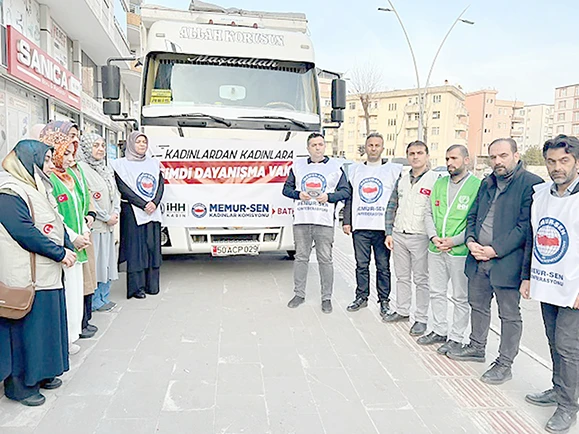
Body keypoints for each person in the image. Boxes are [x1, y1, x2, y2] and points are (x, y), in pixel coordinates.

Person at [447, 138, 543, 385]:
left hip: (506, 263)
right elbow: (473, 215)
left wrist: (494, 250)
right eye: (493, 157)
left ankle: (504, 363)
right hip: (477, 259)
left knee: (509, 316)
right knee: (478, 306)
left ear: (516, 155)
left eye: (503, 156)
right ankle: (477, 347)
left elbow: (525, 228)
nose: (498, 161)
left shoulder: (531, 184)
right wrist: (469, 241)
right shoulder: (487, 183)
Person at [0, 140, 76, 406]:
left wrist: (69, 241)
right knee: (26, 331)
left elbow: (53, 220)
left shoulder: (37, 185)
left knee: (45, 327)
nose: (47, 164)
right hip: (26, 275)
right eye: (43, 159)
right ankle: (21, 386)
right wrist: (60, 253)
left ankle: (42, 373)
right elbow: (24, 232)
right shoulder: (10, 191)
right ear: (27, 160)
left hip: (44, 272)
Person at [521, 135, 579, 434]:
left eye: (564, 161)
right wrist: (527, 276)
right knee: (553, 340)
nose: (557, 167)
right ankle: (558, 388)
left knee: (569, 347)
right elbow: (534, 236)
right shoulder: (541, 194)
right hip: (547, 281)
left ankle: (569, 406)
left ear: (576, 163)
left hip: (574, 288)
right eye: (552, 161)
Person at [420, 145, 481, 353]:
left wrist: (454, 241)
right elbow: (428, 212)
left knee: (460, 296)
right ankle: (439, 329)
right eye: (447, 158)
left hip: (459, 251)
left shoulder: (477, 185)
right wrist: (434, 237)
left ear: (466, 160)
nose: (449, 163)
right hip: (435, 247)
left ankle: (456, 336)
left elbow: (476, 222)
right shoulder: (440, 183)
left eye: (454, 158)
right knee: (436, 291)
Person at [41, 122, 99, 340]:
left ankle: (74, 333)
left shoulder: (71, 175)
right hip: (65, 244)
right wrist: (73, 237)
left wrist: (84, 227)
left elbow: (82, 203)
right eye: (65, 153)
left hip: (80, 240)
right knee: (68, 294)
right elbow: (55, 215)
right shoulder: (50, 181)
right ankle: (68, 337)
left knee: (76, 294)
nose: (70, 158)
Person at [282, 132, 350, 314]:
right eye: (313, 145)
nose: (317, 147)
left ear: (324, 146)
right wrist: (298, 194)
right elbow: (286, 189)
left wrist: (329, 197)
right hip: (302, 220)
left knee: (325, 260)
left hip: (324, 221)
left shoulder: (336, 167)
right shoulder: (298, 166)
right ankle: (299, 294)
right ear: (308, 148)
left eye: (320, 144)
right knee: (301, 258)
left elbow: (345, 192)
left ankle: (326, 298)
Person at [382, 141, 440, 336]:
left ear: (427, 156)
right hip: (399, 235)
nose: (415, 157)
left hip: (421, 237)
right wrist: (389, 232)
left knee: (422, 279)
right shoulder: (402, 180)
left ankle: (421, 319)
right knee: (402, 277)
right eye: (411, 153)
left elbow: (438, 211)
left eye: (419, 153)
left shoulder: (435, 180)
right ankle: (402, 310)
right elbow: (392, 207)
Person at [342, 133, 402, 319]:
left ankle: (384, 300)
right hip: (361, 226)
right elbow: (349, 197)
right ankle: (361, 296)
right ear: (365, 147)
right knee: (361, 264)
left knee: (383, 266)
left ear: (383, 148)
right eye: (370, 145)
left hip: (383, 229)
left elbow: (398, 199)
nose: (373, 148)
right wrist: (347, 220)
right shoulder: (355, 170)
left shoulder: (394, 170)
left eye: (377, 145)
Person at [111, 131, 164, 299]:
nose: (142, 145)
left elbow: (160, 185)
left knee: (152, 247)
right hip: (133, 212)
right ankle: (137, 288)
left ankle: (152, 284)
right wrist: (143, 204)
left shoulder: (154, 163)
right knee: (136, 249)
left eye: (144, 142)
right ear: (131, 144)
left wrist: (154, 203)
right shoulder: (120, 164)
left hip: (153, 211)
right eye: (138, 142)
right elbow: (123, 188)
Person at [78, 133, 120, 312]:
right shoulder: (81, 169)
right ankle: (95, 300)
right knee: (97, 264)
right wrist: (105, 216)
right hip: (96, 226)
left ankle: (104, 296)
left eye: (103, 145)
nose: (101, 149)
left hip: (109, 225)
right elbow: (88, 199)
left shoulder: (105, 168)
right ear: (87, 147)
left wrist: (115, 212)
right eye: (96, 145)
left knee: (108, 261)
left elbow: (115, 193)